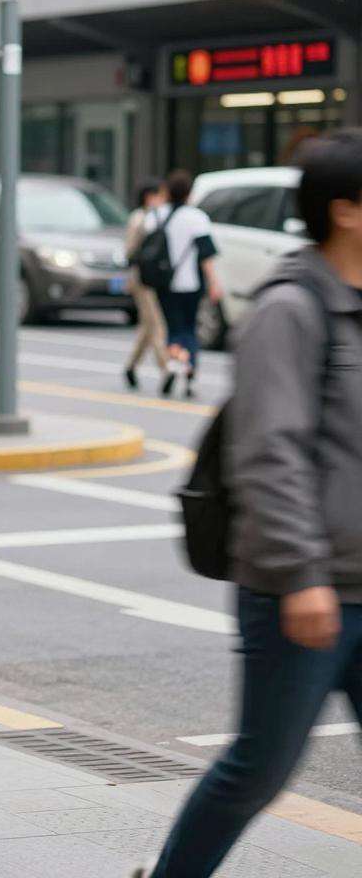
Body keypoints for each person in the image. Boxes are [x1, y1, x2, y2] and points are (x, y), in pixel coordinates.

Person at [131, 130, 362, 878]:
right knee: (259, 768)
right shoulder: (291, 309)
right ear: (346, 210)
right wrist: (301, 575)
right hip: (304, 592)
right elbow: (269, 452)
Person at [145, 169, 222, 398]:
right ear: (189, 193)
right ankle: (188, 371)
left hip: (164, 282)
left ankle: (173, 362)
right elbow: (206, 254)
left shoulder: (156, 215)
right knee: (189, 328)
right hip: (191, 284)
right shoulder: (197, 218)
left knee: (173, 328)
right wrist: (214, 282)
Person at [123, 179, 169, 389]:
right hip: (141, 278)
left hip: (151, 277)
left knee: (147, 326)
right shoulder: (139, 218)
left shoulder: (155, 217)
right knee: (156, 323)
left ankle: (131, 366)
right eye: (160, 195)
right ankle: (166, 368)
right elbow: (130, 251)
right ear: (149, 196)